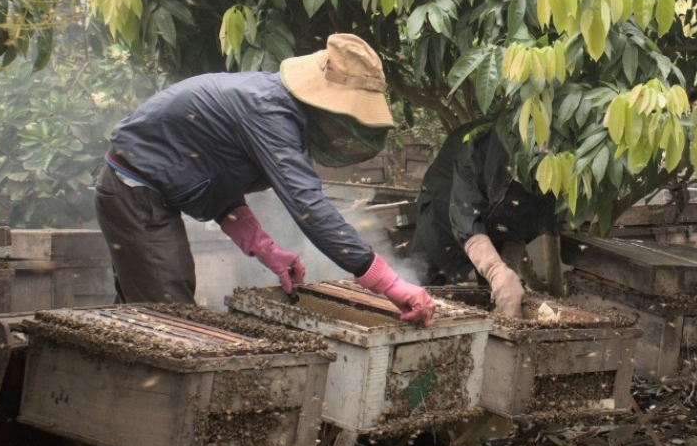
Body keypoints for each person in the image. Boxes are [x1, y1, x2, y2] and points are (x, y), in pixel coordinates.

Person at [95, 33, 434, 325]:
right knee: (171, 320)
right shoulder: (270, 112)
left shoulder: (272, 106)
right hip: (134, 189)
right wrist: (389, 283)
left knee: (139, 314)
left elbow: (212, 178)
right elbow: (309, 207)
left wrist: (263, 247)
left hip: (139, 187)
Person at [408, 117, 558, 317]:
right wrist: (496, 269)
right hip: (443, 210)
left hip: (493, 223)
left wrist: (506, 268)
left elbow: (523, 224)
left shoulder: (550, 164)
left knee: (492, 296)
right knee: (421, 286)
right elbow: (464, 218)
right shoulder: (476, 150)